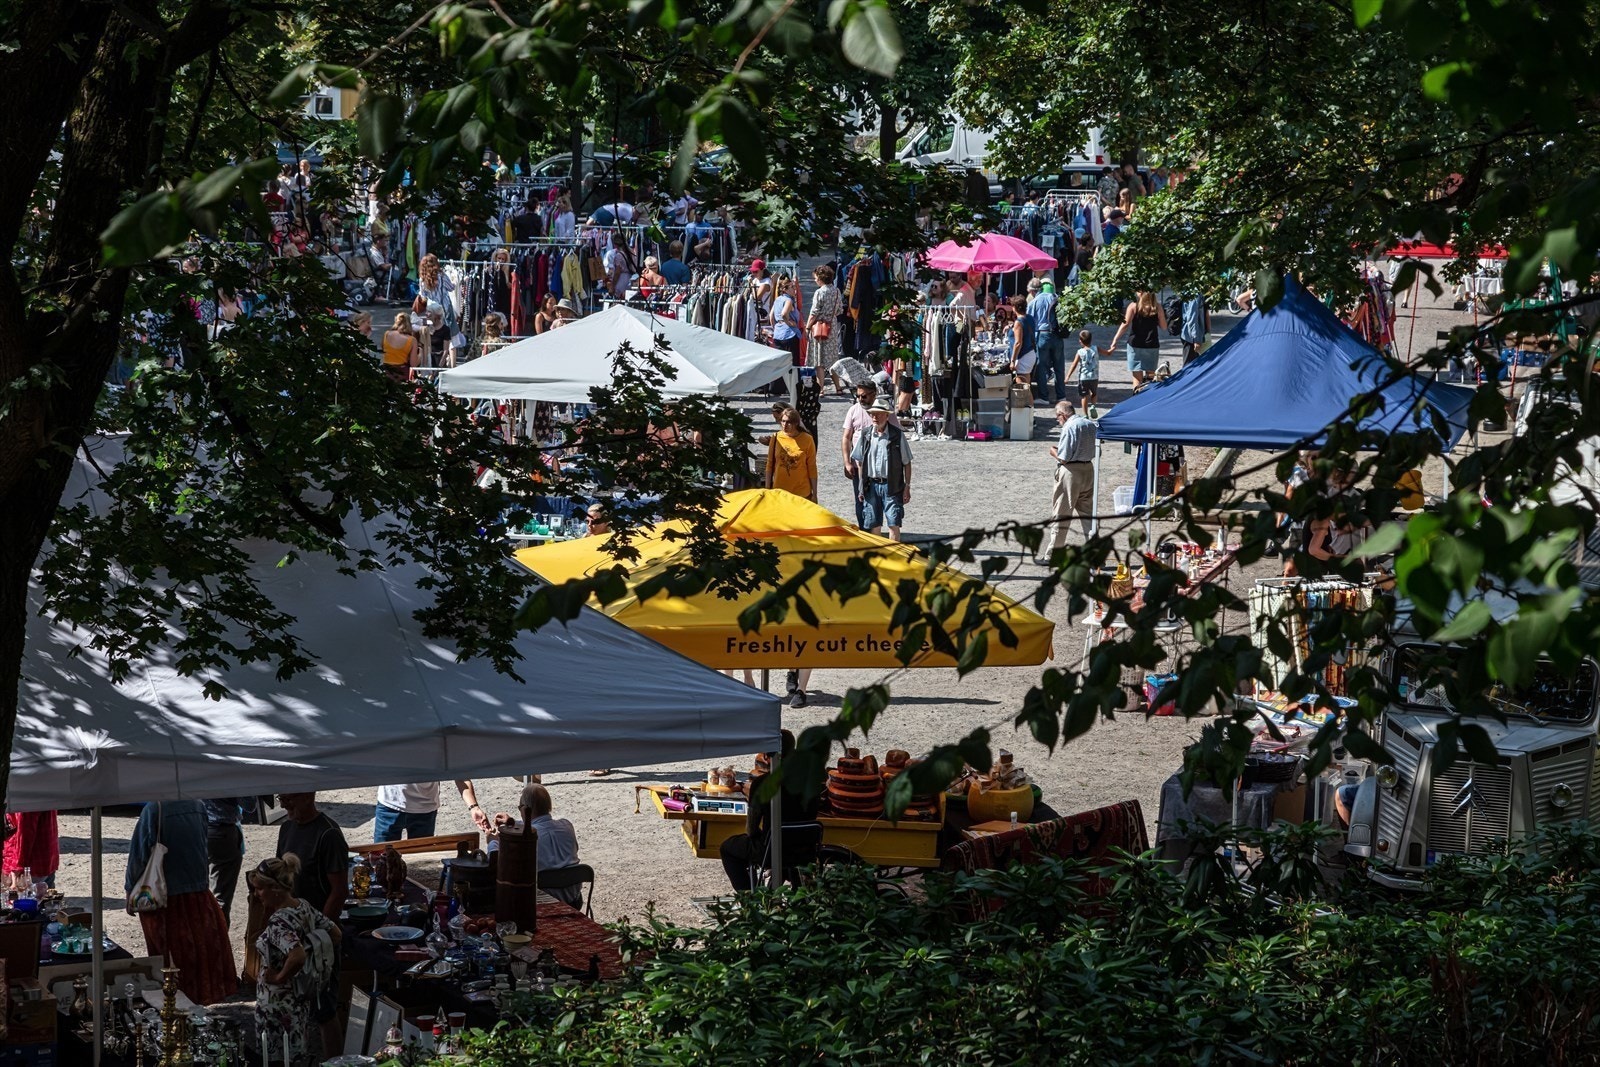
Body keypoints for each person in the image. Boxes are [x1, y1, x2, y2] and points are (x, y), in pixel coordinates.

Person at [125, 800, 237, 1004]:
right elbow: (202, 848)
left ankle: (175, 1016)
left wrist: (130, 890)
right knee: (196, 961)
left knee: (169, 964)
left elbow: (139, 853)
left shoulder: (155, 809)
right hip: (198, 896)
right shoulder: (198, 806)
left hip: (165, 899)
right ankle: (195, 1009)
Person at [247, 856, 341, 1067]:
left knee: (278, 1060)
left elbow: (296, 955)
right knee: (296, 1054)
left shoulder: (279, 921)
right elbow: (335, 934)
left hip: (277, 1006)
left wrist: (280, 977)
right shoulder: (304, 907)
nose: (256, 894)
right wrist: (313, 950)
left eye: (260, 889)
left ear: (275, 889)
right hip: (299, 1001)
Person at [719, 731, 820, 890]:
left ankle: (749, 899)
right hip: (804, 848)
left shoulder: (762, 783)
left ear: (767, 757)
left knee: (727, 848)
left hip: (772, 850)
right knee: (790, 851)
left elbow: (751, 830)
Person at [490, 784, 583, 909]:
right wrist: (513, 822)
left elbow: (498, 863)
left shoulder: (526, 839)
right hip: (573, 901)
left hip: (543, 903)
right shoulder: (567, 826)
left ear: (525, 809)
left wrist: (493, 841)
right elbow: (538, 825)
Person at [274, 793, 347, 922]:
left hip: (317, 921)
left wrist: (322, 928)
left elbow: (339, 891)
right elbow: (280, 875)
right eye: (281, 798)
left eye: (288, 799)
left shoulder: (329, 834)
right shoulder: (286, 828)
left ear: (307, 797)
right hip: (293, 919)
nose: (283, 805)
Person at [850, 398, 913, 541]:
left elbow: (907, 462)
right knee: (874, 523)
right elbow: (860, 463)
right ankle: (878, 557)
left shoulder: (897, 435)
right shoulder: (865, 435)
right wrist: (861, 486)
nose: (875, 417)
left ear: (886, 415)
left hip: (891, 485)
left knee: (894, 523)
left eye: (878, 414)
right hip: (871, 485)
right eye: (872, 414)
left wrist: (907, 486)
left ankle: (894, 556)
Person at [1043, 399, 1098, 560]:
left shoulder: (1070, 426)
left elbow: (1064, 457)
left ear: (1062, 415)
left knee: (1062, 514)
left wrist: (1053, 451)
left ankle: (1054, 554)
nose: (1057, 420)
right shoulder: (1089, 423)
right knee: (1088, 515)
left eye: (1057, 417)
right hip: (1088, 469)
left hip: (1071, 473)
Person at [840, 382, 898, 526]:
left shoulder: (885, 410)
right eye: (858, 396)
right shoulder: (853, 410)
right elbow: (846, 437)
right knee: (861, 500)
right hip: (859, 467)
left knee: (884, 503)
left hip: (881, 468)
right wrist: (847, 462)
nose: (860, 399)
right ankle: (865, 531)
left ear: (874, 394)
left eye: (864, 396)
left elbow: (897, 436)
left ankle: (879, 531)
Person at [373, 780, 492, 844]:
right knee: (380, 862)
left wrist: (474, 807)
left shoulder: (441, 738)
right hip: (389, 805)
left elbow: (460, 775)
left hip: (425, 810)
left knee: (420, 864)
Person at [204, 796, 257, 924]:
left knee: (200, 894)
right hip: (221, 832)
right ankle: (216, 940)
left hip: (195, 828)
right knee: (220, 898)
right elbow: (249, 805)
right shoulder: (230, 775)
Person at [1101, 290, 1167, 387]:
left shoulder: (1133, 306)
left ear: (1140, 293)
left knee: (1137, 378)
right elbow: (1164, 327)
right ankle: (1149, 398)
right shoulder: (1157, 307)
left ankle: (1137, 397)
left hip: (1135, 345)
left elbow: (1125, 324)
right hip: (1152, 344)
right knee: (1151, 376)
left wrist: (1115, 339)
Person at [766, 407, 817, 502]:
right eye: (783, 421)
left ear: (796, 423)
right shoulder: (776, 437)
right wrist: (767, 489)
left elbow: (812, 467)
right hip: (780, 492)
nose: (785, 425)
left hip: (801, 493)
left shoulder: (807, 439)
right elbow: (769, 465)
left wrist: (815, 493)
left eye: (788, 422)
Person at [807, 265, 845, 392]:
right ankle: (838, 387)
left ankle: (821, 388)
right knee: (833, 359)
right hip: (832, 327)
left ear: (821, 278)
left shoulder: (819, 292)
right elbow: (840, 310)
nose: (815, 280)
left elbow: (814, 312)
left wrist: (807, 326)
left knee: (819, 360)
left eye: (816, 277)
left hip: (819, 327)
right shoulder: (836, 291)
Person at [3, 810, 58, 891]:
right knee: (46, 900)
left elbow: (25, 832)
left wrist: (17, 868)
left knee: (21, 899)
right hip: (46, 858)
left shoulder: (24, 801)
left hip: (29, 865)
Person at [1028, 279, 1062, 403]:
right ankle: (1061, 396)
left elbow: (1029, 322)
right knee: (1059, 366)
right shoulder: (1055, 297)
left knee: (1041, 366)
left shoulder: (1034, 302)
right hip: (1057, 334)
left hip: (1042, 335)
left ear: (1032, 291)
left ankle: (1043, 397)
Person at [1063, 329, 1100, 410]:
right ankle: (1093, 405)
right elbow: (1107, 353)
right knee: (1094, 393)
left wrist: (1067, 377)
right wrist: (1112, 349)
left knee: (1084, 396)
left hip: (1083, 378)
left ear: (1080, 341)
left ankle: (1086, 414)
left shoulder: (1080, 352)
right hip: (1094, 376)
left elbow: (1074, 364)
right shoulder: (1096, 348)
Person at [770, 274, 802, 364]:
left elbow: (771, 316)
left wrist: (775, 327)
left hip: (778, 334)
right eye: (791, 287)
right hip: (789, 335)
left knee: (780, 364)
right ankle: (794, 378)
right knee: (793, 363)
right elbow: (784, 314)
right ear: (784, 289)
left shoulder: (777, 300)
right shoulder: (789, 300)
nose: (794, 289)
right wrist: (789, 323)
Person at [1007, 294, 1037, 384]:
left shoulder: (1018, 322)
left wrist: (1012, 360)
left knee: (1021, 388)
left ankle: (1027, 398)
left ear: (1014, 308)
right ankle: (1030, 399)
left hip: (1023, 356)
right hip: (1030, 353)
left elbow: (1018, 343)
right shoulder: (1029, 318)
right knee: (1026, 386)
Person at [1180, 293, 1211, 364]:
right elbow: (1192, 318)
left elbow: (1205, 314)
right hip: (1190, 337)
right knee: (1190, 366)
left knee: (1198, 364)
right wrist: (1196, 339)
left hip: (1194, 335)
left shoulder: (1198, 293)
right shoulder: (1194, 294)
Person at [603, 231, 633, 298]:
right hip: (630, 278)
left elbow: (617, 272)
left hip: (621, 280)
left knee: (619, 301)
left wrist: (612, 286)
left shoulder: (618, 256)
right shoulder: (631, 252)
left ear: (615, 244)